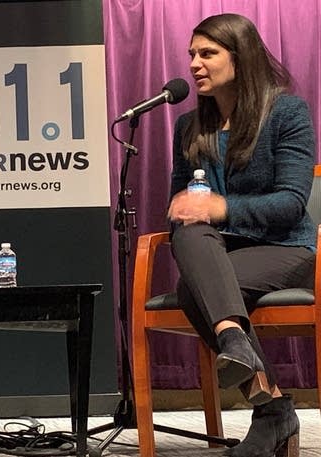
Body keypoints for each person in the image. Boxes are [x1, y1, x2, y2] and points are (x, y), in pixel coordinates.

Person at [167, 13, 315, 457]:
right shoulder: (189, 127)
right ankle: (241, 352)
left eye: (207, 53)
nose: (194, 64)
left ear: (241, 56)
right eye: (192, 54)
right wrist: (188, 209)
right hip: (216, 252)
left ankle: (270, 410)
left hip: (284, 248)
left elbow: (291, 202)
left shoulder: (286, 112)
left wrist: (221, 207)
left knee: (194, 290)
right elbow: (181, 204)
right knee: (189, 232)